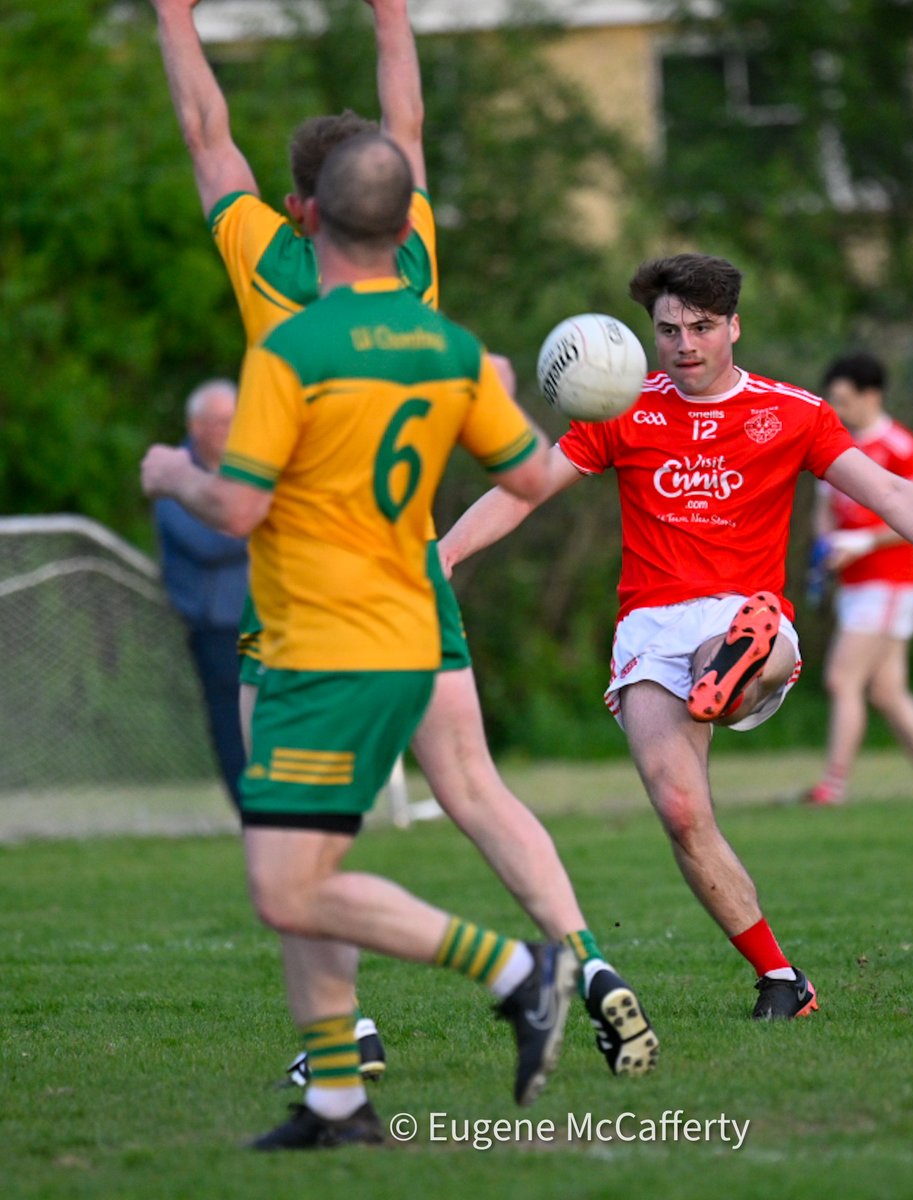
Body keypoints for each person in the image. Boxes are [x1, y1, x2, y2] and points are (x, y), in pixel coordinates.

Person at [149, 0, 657, 1084]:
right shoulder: (424, 276)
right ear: (391, 204)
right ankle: (591, 960)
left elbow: (205, 136)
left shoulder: (273, 276)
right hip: (418, 585)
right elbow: (411, 127)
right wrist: (392, 18)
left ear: (301, 208)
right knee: (475, 788)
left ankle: (345, 1042)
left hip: (305, 607)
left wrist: (174, 19)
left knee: (291, 843)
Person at [438, 253, 913, 1019]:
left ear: (734, 325)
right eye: (667, 330)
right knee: (679, 811)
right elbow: (525, 490)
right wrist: (441, 555)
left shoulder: (792, 413)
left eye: (701, 327)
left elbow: (889, 492)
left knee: (734, 659)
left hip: (743, 609)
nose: (683, 345)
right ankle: (781, 980)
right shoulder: (621, 409)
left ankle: (743, 660)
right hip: (650, 626)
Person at [805, 352, 913, 806]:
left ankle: (831, 788)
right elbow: (823, 510)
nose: (838, 409)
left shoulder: (903, 448)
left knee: (841, 679)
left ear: (872, 395)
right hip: (855, 585)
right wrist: (827, 547)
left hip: (892, 581)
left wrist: (863, 544)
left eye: (845, 400)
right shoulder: (838, 447)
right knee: (887, 691)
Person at [153, 378, 248, 808]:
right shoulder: (174, 472)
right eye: (222, 421)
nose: (232, 429)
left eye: (236, 419)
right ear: (197, 426)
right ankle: (251, 813)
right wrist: (265, 522)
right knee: (231, 725)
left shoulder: (253, 468)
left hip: (270, 617)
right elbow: (209, 543)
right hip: (218, 629)